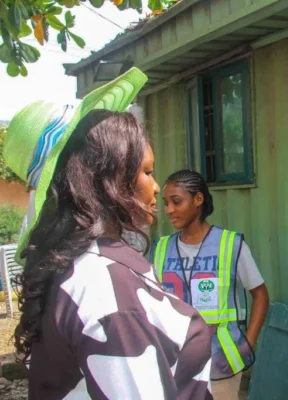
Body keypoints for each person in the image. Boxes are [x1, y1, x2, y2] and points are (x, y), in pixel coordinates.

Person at [5, 68, 213, 399]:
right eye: (147, 171)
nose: (156, 187)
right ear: (110, 179)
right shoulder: (107, 290)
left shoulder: (75, 265)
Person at [152, 169, 270, 399]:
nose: (169, 210)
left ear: (198, 199)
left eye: (176, 202)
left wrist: (248, 344)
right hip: (175, 364)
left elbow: (261, 295)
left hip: (221, 363)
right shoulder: (160, 249)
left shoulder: (229, 244)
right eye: (166, 203)